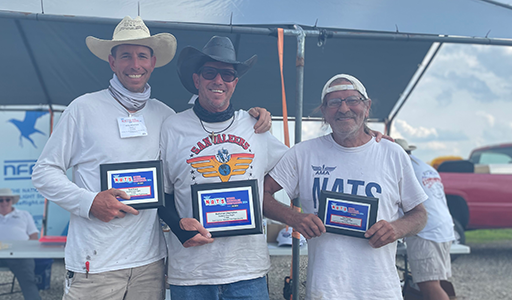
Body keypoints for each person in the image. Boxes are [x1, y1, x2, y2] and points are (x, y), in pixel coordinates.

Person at [31, 17, 271, 300]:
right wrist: (90, 202)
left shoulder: (165, 117)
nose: (135, 64)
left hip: (149, 263)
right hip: (95, 262)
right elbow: (43, 172)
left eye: (142, 55)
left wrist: (255, 115)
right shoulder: (83, 109)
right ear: (112, 61)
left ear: (153, 62)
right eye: (126, 56)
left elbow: (170, 183)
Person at [263, 74, 429, 299]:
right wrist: (294, 218)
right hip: (325, 290)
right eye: (334, 102)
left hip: (380, 290)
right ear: (324, 112)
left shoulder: (393, 154)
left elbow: (419, 215)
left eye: (352, 100)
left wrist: (397, 229)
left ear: (367, 107)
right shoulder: (303, 154)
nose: (343, 109)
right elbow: (260, 195)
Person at [158, 35, 289, 300]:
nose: (219, 81)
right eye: (210, 73)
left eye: (227, 75)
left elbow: (299, 165)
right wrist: (177, 224)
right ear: (197, 80)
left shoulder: (255, 127)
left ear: (235, 83)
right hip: (191, 275)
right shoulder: (172, 127)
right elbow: (160, 192)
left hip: (247, 273)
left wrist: (367, 140)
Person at [395, 138, 455, 300]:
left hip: (425, 231)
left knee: (428, 285)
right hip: (444, 226)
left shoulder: (403, 168)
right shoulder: (424, 166)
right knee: (438, 281)